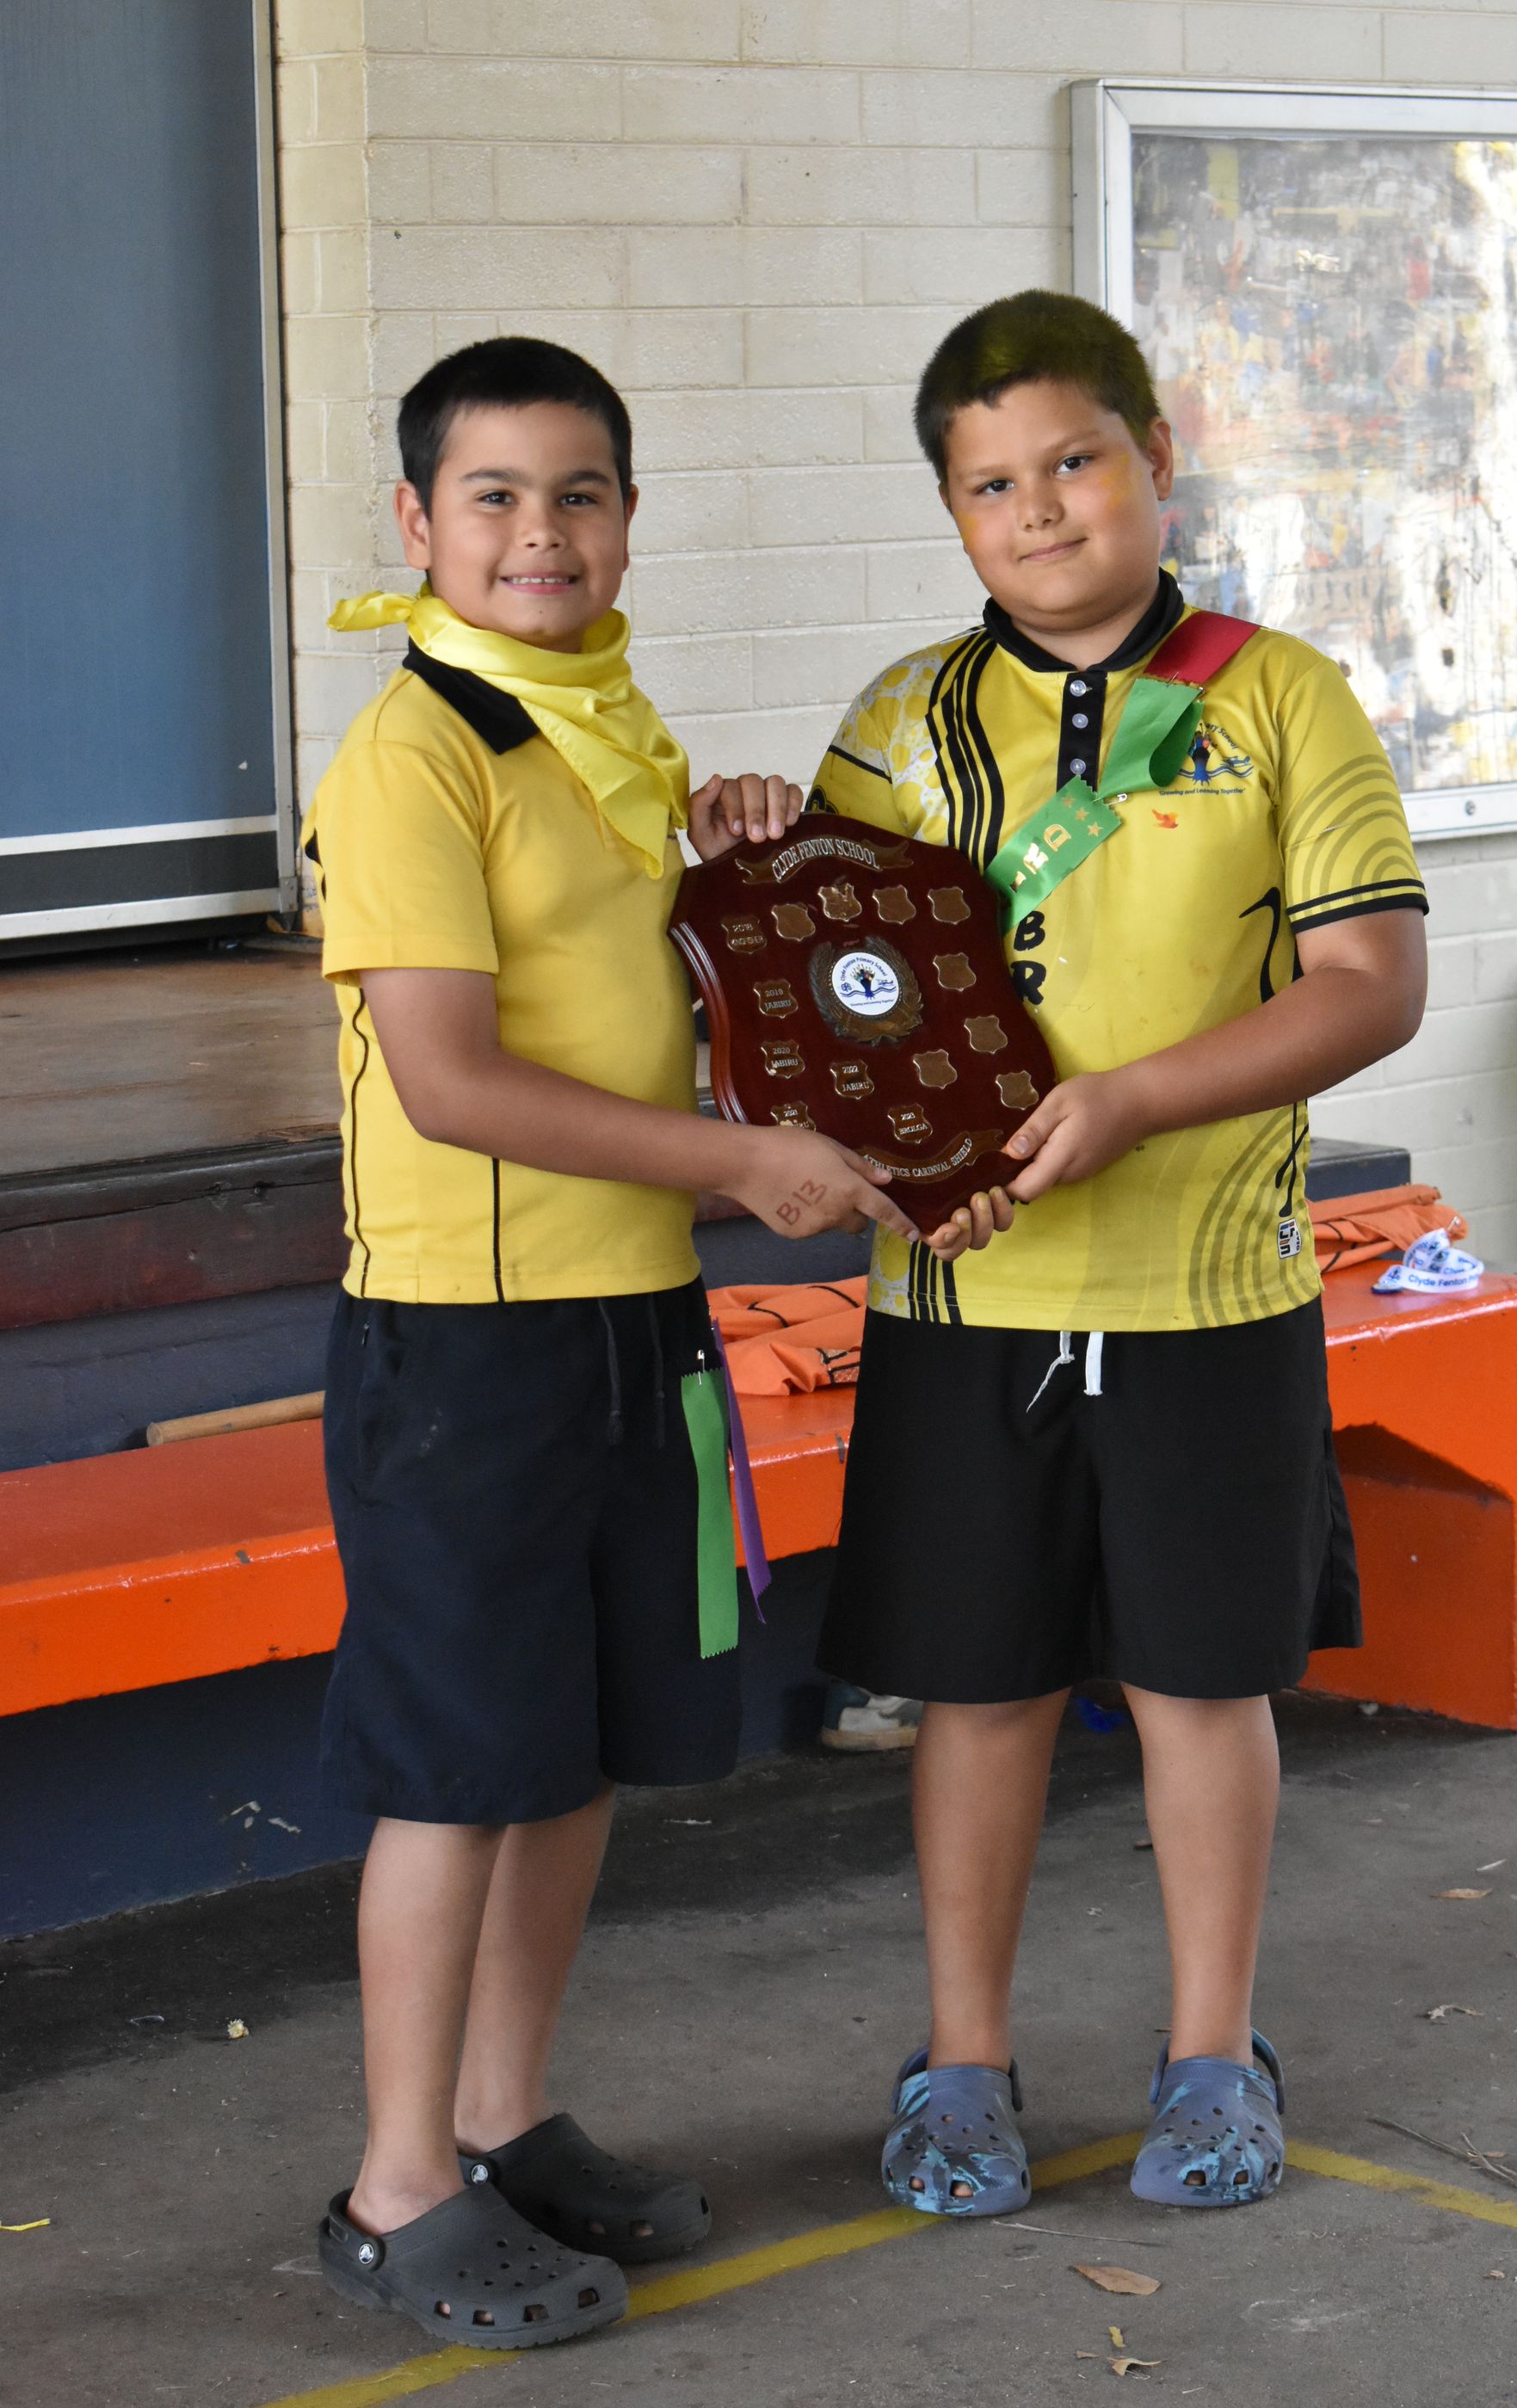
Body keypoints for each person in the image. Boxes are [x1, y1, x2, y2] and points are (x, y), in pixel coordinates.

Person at [302, 336, 921, 2349]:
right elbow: (455, 1079)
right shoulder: (413, 758)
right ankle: (398, 2191)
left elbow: (651, 984)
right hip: (463, 1346)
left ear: (628, 519)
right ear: (418, 522)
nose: (539, 533)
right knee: (460, 1771)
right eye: (493, 496)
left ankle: (498, 2121)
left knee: (574, 1759)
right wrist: (745, 1164)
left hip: (627, 1315)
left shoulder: (604, 721)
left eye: (578, 495)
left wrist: (731, 862)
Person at [806, 290, 1428, 2220]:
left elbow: (1373, 983)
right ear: (953, 514)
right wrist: (897, 1156)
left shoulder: (1280, 697)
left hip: (1208, 1298)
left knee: (1199, 1684)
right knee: (974, 1690)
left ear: (1157, 459)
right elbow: (832, 1008)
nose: (1042, 509)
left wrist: (1143, 1101)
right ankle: (963, 2065)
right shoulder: (900, 722)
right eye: (991, 484)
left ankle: (1212, 2056)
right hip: (960, 1298)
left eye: (1075, 460)